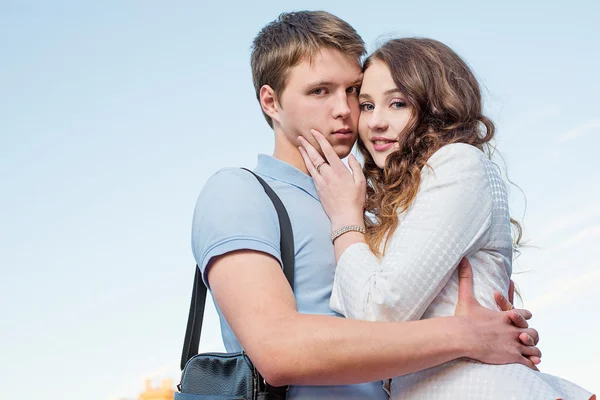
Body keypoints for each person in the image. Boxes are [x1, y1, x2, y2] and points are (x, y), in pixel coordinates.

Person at [191, 11, 541, 399]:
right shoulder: (240, 191)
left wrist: (497, 326)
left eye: (353, 90)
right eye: (320, 91)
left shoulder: (364, 209)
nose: (344, 109)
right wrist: (464, 335)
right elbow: (278, 350)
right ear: (271, 102)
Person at [298, 37, 594, 399]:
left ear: (435, 105)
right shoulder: (405, 196)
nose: (375, 122)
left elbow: (379, 315)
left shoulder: (457, 164)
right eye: (367, 105)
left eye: (397, 103)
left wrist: (345, 220)